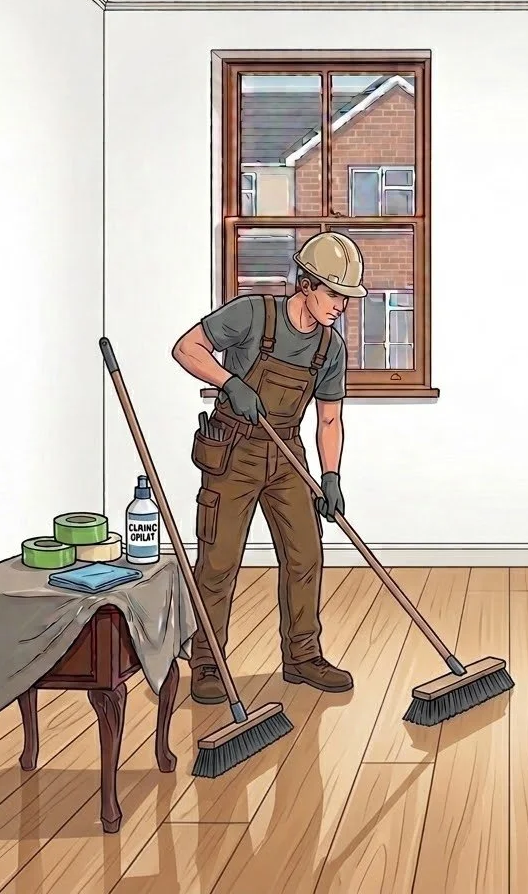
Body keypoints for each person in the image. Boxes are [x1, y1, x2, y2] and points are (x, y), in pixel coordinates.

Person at [171, 232, 366, 703]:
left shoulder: (329, 348)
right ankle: (208, 664)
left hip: (287, 459)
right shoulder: (252, 314)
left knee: (305, 556)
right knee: (218, 563)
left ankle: (302, 657)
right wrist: (228, 382)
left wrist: (331, 476)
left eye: (346, 297)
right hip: (233, 454)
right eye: (335, 294)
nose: (341, 305)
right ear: (306, 284)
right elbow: (186, 348)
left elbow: (329, 417)